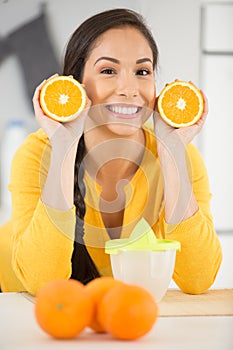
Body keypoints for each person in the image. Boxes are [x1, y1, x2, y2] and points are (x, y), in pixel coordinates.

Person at [0, 8, 222, 295]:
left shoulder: (182, 157)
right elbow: (43, 282)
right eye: (108, 71)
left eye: (142, 72)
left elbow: (198, 278)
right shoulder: (36, 153)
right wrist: (65, 147)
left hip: (104, 311)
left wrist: (172, 154)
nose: (129, 89)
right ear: (76, 82)